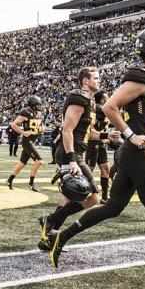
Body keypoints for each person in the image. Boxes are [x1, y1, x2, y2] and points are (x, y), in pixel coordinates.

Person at [41, 27, 145, 289]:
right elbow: (110, 107)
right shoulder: (140, 78)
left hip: (136, 151)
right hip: (136, 152)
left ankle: (61, 237)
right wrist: (130, 134)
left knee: (113, 207)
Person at [38, 67, 102, 241]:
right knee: (93, 198)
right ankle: (49, 220)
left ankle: (47, 239)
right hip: (70, 154)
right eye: (95, 78)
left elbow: (88, 133)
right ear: (85, 81)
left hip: (75, 152)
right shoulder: (79, 98)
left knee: (69, 200)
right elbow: (67, 130)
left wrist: (106, 136)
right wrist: (72, 160)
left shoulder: (89, 100)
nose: (99, 80)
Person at [7, 95, 44, 191]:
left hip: (32, 140)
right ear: (33, 104)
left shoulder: (38, 113)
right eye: (38, 104)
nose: (40, 106)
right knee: (39, 161)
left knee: (22, 163)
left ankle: (9, 180)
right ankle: (31, 184)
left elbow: (39, 127)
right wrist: (23, 132)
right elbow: (13, 124)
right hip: (27, 141)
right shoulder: (26, 112)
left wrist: (41, 129)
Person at [85, 91, 113, 203]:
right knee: (89, 170)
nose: (108, 99)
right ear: (100, 100)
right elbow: (91, 127)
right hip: (93, 142)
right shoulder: (97, 108)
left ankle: (105, 197)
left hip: (101, 143)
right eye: (106, 97)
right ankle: (85, 193)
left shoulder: (104, 109)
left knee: (106, 169)